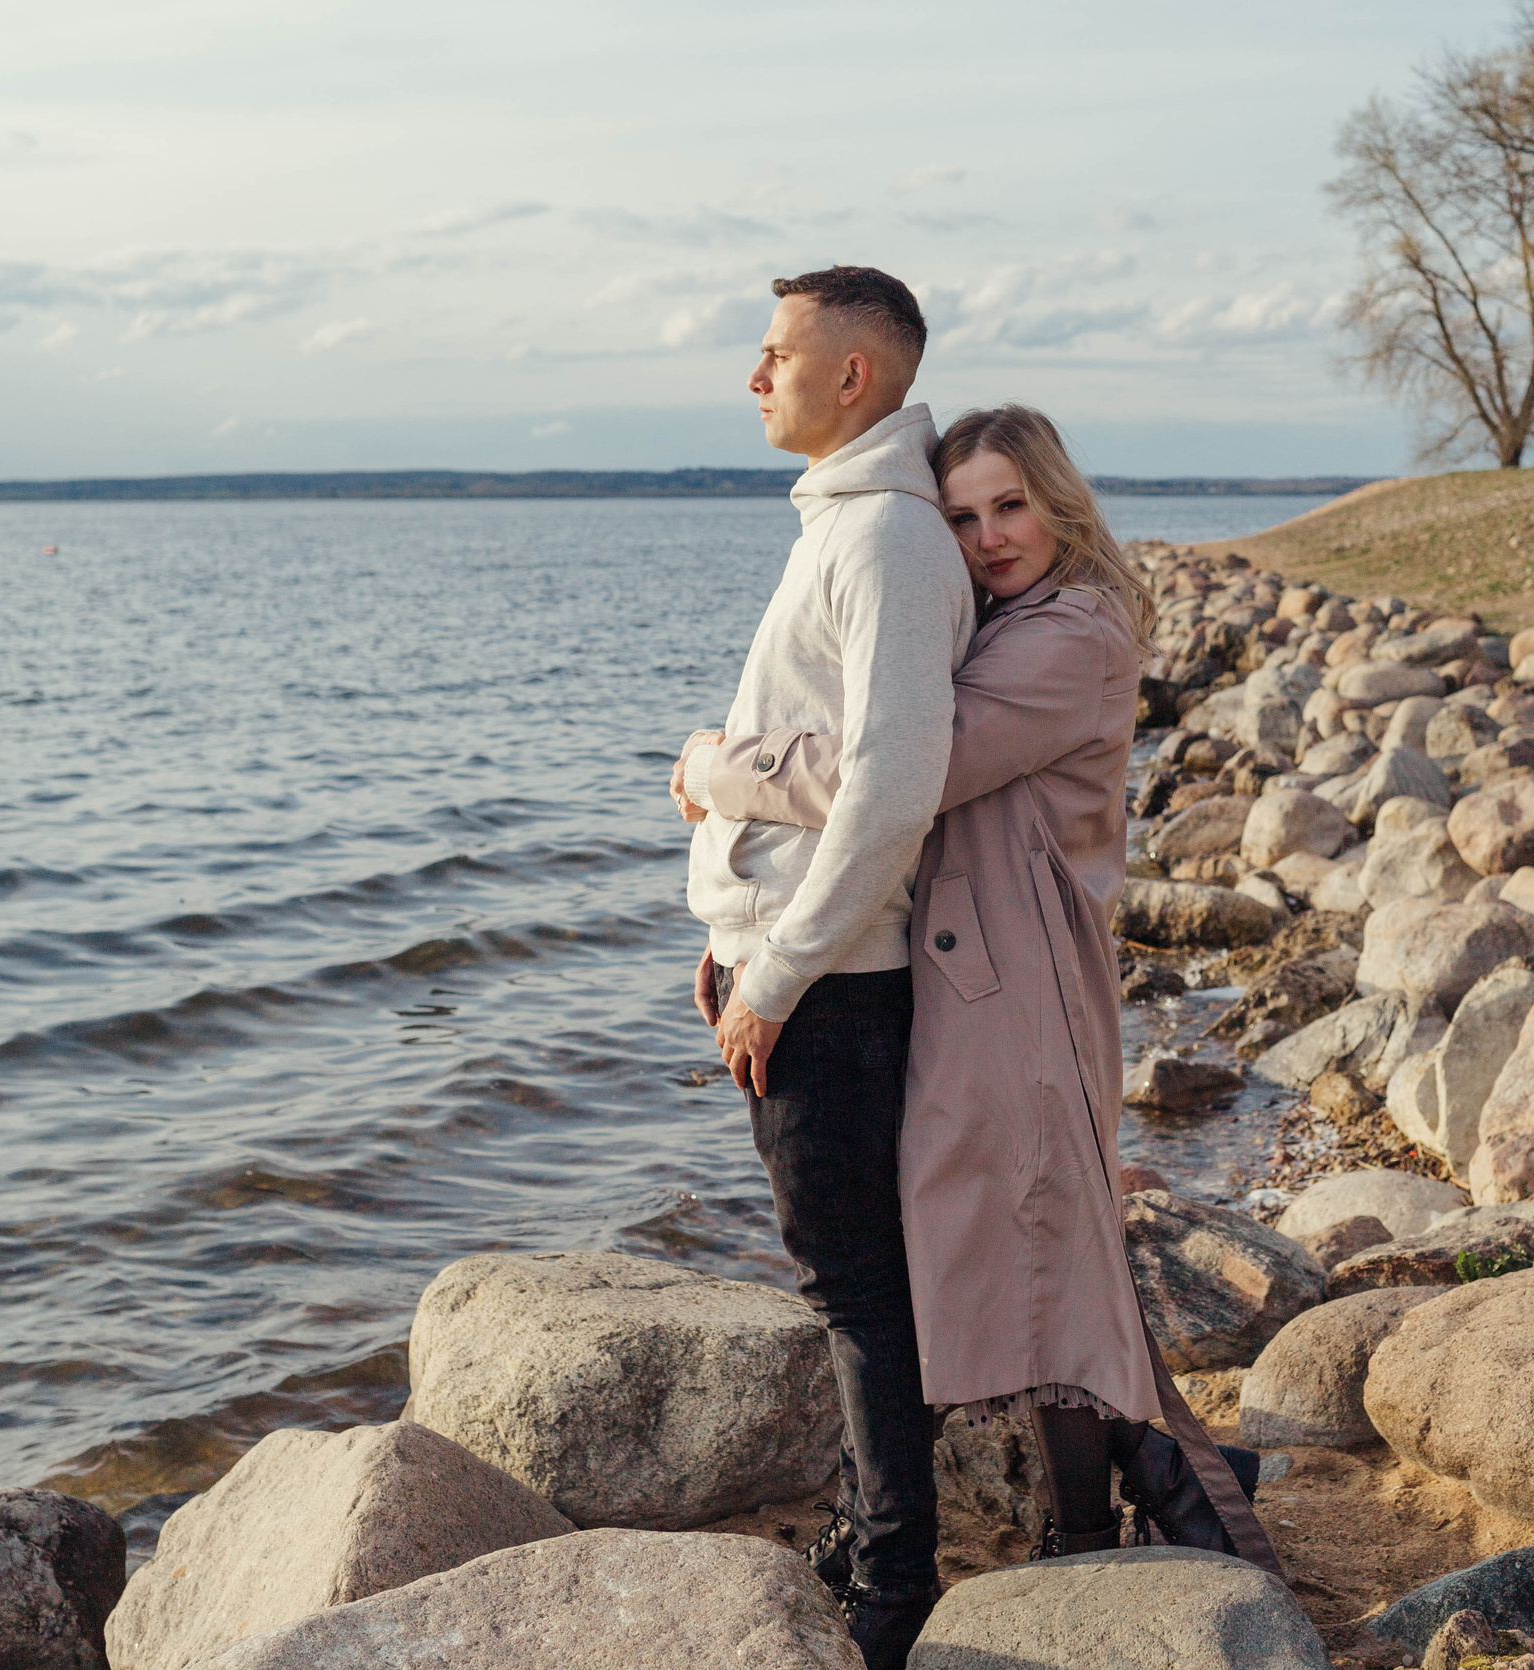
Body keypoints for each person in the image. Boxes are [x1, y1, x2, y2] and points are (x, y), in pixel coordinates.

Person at [674, 406, 1278, 1619]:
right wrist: (753, 927)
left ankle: (1112, 1513)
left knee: (1039, 1247)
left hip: (1021, 984)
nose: (989, 535)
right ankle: (1104, 1505)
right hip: (980, 969)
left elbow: (900, 771)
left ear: (1059, 503)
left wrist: (717, 767)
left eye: (1011, 505)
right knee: (1026, 1243)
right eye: (961, 515)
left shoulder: (1071, 635)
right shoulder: (1003, 621)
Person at [674, 264, 973, 1669]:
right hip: (803, 960)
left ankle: (892, 1584)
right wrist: (731, 939)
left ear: (854, 375)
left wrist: (779, 970)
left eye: (776, 354)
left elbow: (889, 790)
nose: (754, 377)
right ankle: (872, 1533)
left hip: (838, 980)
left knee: (854, 1285)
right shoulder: (847, 522)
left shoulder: (887, 540)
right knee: (850, 1272)